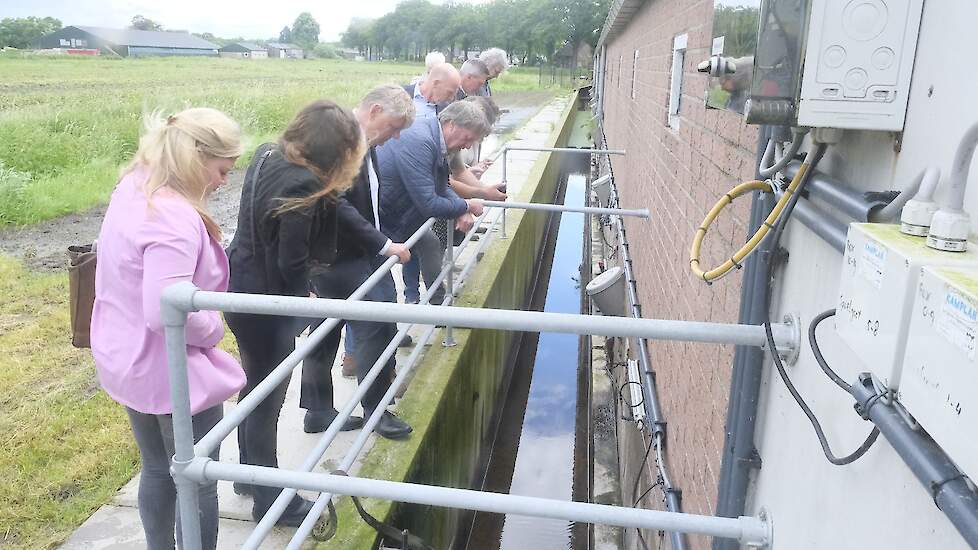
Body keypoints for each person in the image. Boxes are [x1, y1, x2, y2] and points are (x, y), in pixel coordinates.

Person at [90, 107, 246, 550]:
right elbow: (167, 310)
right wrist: (214, 328)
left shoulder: (135, 185)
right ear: (197, 159)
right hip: (170, 369)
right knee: (198, 479)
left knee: (157, 468)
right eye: (221, 170)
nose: (223, 182)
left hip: (126, 356)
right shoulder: (173, 217)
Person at [224, 100, 365, 526]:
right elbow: (291, 260)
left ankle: (248, 475)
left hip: (240, 287)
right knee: (269, 398)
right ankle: (269, 499)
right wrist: (304, 296)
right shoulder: (305, 183)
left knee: (254, 388)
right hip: (269, 303)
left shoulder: (268, 151)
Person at [301, 85, 416, 440]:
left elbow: (372, 197)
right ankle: (376, 412)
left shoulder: (364, 142)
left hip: (348, 254)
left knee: (328, 332)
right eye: (395, 127)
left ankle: (319, 412)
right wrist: (383, 244)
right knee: (373, 329)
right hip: (339, 256)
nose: (395, 136)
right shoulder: (338, 140)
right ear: (376, 111)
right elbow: (337, 203)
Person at [376, 101, 489, 306]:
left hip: (401, 215)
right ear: (452, 124)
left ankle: (440, 306)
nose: (467, 146)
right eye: (467, 138)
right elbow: (429, 203)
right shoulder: (421, 141)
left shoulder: (436, 138)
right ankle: (397, 326)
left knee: (430, 243)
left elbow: (442, 185)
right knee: (380, 288)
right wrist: (466, 206)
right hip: (381, 219)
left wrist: (461, 207)